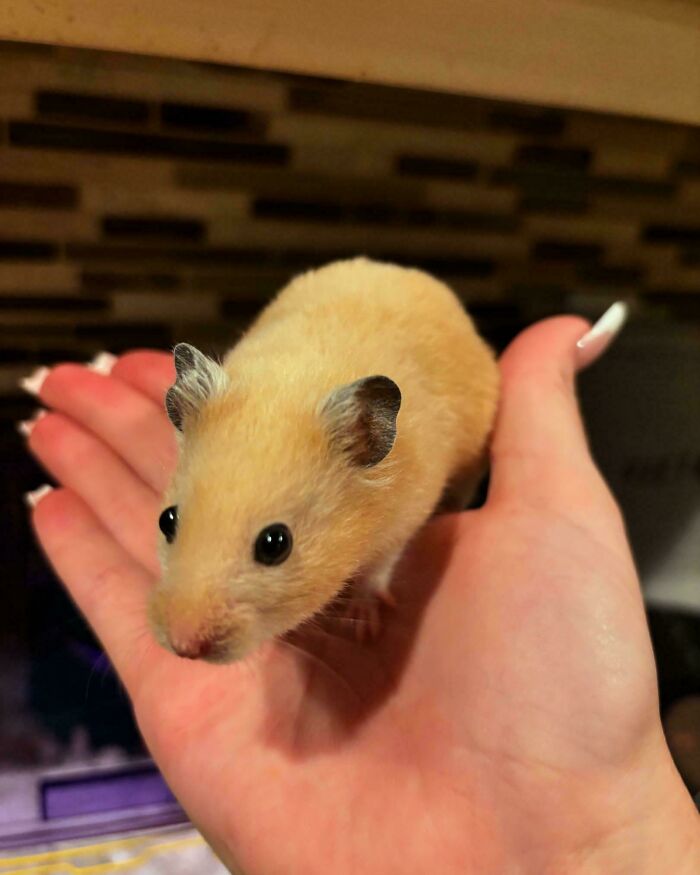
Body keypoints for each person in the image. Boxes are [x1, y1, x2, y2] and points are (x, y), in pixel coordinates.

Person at [19, 313, 700, 874]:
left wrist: (372, 581)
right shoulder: (226, 419)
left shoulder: (386, 467)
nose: (187, 635)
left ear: (367, 437)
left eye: (273, 544)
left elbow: (419, 490)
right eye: (172, 522)